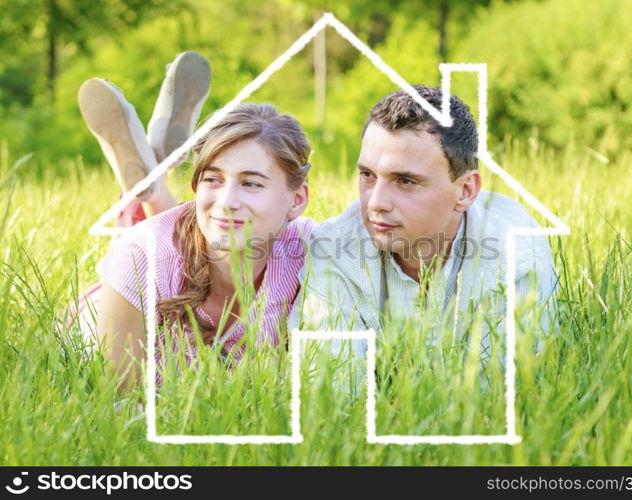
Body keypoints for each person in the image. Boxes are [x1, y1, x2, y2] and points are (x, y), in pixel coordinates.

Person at [65, 52, 314, 390]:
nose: (226, 201)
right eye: (212, 179)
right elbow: (122, 409)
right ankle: (148, 188)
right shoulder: (140, 260)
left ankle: (151, 186)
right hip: (99, 317)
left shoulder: (311, 255)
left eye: (251, 183)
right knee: (157, 244)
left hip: (175, 251)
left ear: (296, 200)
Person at [289, 85, 559, 360]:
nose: (376, 203)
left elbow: (502, 390)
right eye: (368, 176)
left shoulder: (517, 251)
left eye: (405, 181)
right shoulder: (333, 249)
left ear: (465, 190)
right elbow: (330, 388)